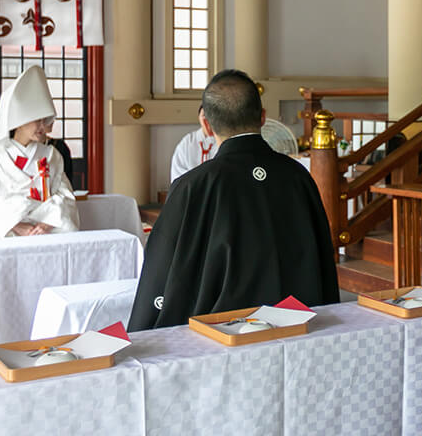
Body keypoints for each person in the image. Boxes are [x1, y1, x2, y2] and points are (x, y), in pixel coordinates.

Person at [129, 69, 339, 330]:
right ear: (263, 118)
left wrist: (142, 330)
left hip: (222, 336)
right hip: (300, 327)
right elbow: (322, 257)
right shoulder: (298, 176)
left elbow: (163, 274)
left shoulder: (192, 187)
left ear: (207, 125)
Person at [0, 65, 79, 238]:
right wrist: (16, 225)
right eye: (37, 120)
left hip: (48, 231)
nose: (42, 126)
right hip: (11, 232)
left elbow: (65, 195)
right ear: (19, 121)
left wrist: (46, 224)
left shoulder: (52, 155)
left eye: (44, 120)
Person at [169, 105, 217, 182]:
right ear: (199, 118)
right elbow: (178, 172)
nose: (208, 119)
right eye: (204, 115)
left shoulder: (223, 140)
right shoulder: (187, 142)